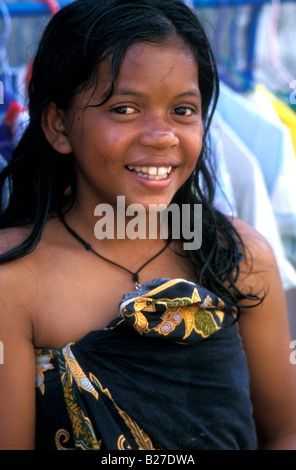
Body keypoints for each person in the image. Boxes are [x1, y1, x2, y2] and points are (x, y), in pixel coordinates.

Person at [0, 0, 295, 451]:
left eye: (182, 110)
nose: (163, 136)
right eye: (124, 109)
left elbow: (286, 430)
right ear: (59, 126)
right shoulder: (13, 279)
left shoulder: (238, 257)